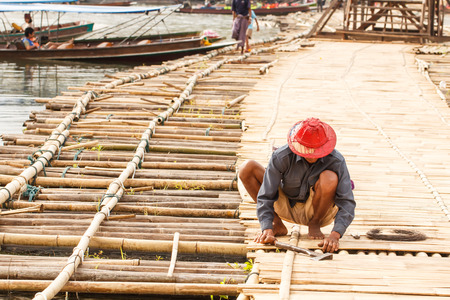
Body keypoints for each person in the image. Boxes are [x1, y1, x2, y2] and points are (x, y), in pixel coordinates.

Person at [239, 118, 355, 253]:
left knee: (330, 177)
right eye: (307, 149)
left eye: (315, 150)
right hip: (286, 203)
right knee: (247, 168)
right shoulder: (281, 156)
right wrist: (266, 227)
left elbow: (347, 202)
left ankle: (315, 222)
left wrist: (335, 235)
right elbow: (266, 195)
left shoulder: (336, 160)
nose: (311, 154)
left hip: (319, 210)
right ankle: (276, 224)